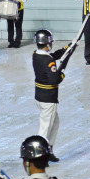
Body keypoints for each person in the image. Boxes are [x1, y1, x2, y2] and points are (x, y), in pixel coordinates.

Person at [32, 30, 66, 162]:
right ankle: (38, 155)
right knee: (45, 128)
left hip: (40, 96)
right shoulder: (48, 61)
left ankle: (49, 149)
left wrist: (66, 49)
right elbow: (54, 79)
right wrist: (61, 74)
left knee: (54, 123)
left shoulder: (36, 55)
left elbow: (52, 56)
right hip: (48, 98)